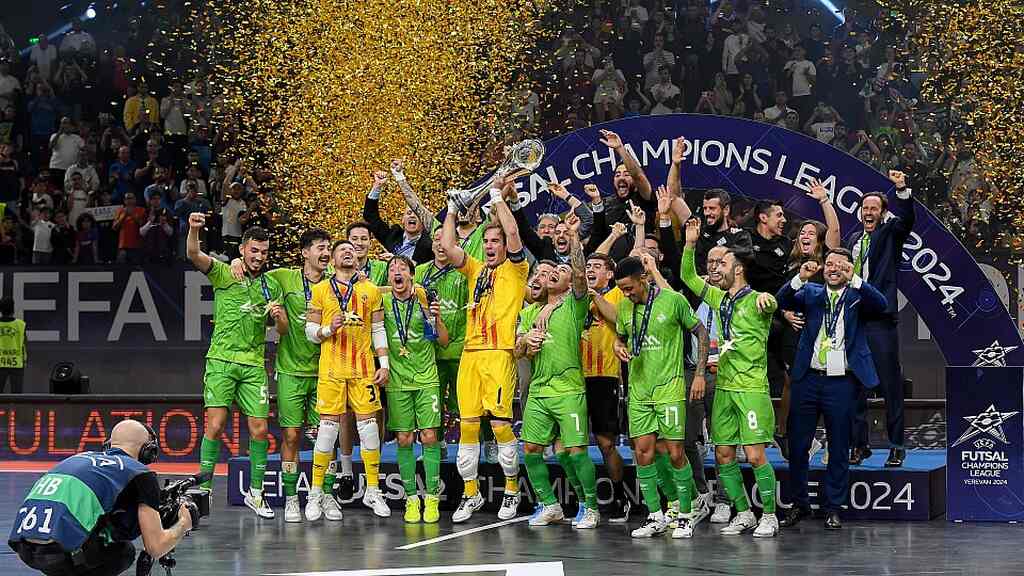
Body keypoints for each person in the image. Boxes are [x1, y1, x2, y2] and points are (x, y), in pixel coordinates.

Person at [681, 219, 780, 538]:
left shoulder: (756, 300)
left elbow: (770, 304)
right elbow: (687, 277)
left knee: (753, 455)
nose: (715, 269)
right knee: (723, 454)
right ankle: (744, 512)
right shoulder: (718, 299)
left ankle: (770, 515)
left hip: (750, 389)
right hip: (722, 388)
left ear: (737, 268)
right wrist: (689, 244)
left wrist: (770, 301)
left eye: (721, 263)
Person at [776, 250, 887, 530]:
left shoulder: (857, 295)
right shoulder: (811, 293)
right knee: (799, 446)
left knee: (839, 445)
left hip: (842, 381)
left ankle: (833, 507)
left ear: (849, 268)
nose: (833, 269)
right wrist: (800, 277)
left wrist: (856, 280)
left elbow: (882, 304)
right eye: (829, 264)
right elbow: (781, 300)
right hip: (808, 378)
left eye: (840, 265)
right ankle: (800, 504)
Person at [440, 173, 528, 523]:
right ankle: (471, 494)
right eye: (487, 241)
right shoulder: (476, 269)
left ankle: (511, 491)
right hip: (470, 356)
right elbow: (447, 247)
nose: (491, 245)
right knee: (469, 427)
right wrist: (450, 210)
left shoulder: (516, 270)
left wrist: (496, 198)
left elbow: (515, 232)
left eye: (496, 240)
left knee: (502, 425)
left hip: (499, 354)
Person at [187, 213, 287, 518]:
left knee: (259, 430)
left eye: (264, 252)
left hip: (254, 364)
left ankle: (256, 493)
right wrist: (193, 229)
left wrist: (279, 316)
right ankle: (203, 492)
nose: (259, 257)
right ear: (242, 250)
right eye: (253, 251)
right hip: (221, 361)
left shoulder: (271, 286)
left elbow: (281, 331)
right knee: (215, 426)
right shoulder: (224, 273)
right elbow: (193, 253)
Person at [231, 229, 332, 523]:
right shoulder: (283, 278)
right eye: (320, 248)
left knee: (325, 439)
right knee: (290, 435)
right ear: (304, 253)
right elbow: (254, 270)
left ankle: (323, 496)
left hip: (325, 372)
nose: (325, 253)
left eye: (328, 248)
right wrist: (237, 263)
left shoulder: (335, 284)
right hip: (290, 370)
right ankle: (290, 499)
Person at [9, 419, 195, 576]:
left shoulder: (77, 459)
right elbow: (156, 547)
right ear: (149, 451)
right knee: (123, 551)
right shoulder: (140, 473)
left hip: (26, 550)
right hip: (61, 554)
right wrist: (183, 523)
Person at [613, 254, 710, 539]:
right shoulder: (623, 307)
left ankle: (686, 512)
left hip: (669, 387)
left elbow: (701, 332)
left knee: (675, 452)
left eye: (629, 287)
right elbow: (620, 336)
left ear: (644, 278)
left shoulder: (672, 300)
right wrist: (618, 345)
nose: (626, 293)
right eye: (622, 289)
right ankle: (655, 515)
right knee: (643, 453)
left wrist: (700, 374)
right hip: (639, 390)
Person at [516, 216, 602, 529]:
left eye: (559, 271)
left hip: (568, 391)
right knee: (531, 449)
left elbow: (580, 273)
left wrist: (576, 237)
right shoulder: (528, 312)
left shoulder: (575, 305)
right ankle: (550, 505)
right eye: (551, 271)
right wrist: (526, 343)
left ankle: (590, 507)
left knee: (575, 450)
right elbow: (516, 352)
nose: (554, 273)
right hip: (539, 391)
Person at [304, 239, 392, 520]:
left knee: (368, 430)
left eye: (352, 251)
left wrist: (385, 364)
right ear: (332, 260)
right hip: (331, 370)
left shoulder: (370, 290)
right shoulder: (320, 290)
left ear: (358, 259)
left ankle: (374, 489)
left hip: (363, 369)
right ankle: (315, 493)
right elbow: (310, 331)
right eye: (342, 250)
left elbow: (378, 329)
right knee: (328, 431)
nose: (348, 252)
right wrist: (330, 328)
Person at [847, 170, 916, 467]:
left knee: (890, 385)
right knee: (855, 387)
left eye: (874, 208)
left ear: (883, 213)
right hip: (854, 321)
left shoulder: (889, 234)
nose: (869, 212)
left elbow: (907, 222)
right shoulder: (852, 239)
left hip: (880, 321)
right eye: (865, 209)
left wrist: (901, 189)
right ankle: (859, 445)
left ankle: (897, 445)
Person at [383, 255, 448, 524]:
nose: (396, 272)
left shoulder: (424, 302)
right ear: (388, 278)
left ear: (412, 275)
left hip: (426, 379)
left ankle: (431, 498)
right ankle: (411, 499)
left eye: (402, 268)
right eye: (391, 269)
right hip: (397, 381)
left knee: (430, 437)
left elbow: (443, 342)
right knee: (404, 439)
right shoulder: (382, 302)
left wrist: (437, 318)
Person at [580, 252, 630, 522]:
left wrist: (594, 295)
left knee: (605, 443)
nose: (591, 269)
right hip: (576, 377)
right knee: (570, 444)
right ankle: (583, 502)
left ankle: (621, 497)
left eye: (598, 266)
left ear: (610, 274)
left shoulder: (616, 295)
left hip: (605, 376)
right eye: (588, 265)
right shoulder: (577, 299)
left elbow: (618, 320)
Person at [414, 228, 469, 460]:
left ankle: (476, 445)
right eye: (435, 240)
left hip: (461, 350)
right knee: (432, 403)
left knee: (467, 403)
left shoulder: (465, 272)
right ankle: (438, 444)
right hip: (430, 352)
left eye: (444, 241)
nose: (439, 245)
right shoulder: (418, 273)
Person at [363, 162, 432, 262]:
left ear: (424, 220)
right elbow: (370, 216)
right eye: (408, 213)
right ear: (403, 220)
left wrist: (397, 260)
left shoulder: (432, 242)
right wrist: (377, 186)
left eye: (416, 214)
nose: (412, 216)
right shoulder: (393, 236)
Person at [0, 297, 26, 393]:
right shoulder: (21, 324)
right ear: (13, 309)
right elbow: (24, 345)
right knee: (17, 396)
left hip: (0, 363)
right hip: (16, 364)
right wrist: (24, 361)